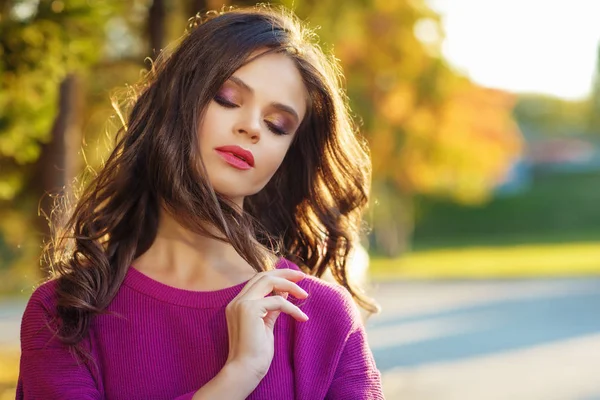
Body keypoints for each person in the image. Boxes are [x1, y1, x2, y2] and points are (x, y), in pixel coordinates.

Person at [16, 5, 384, 400]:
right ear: (174, 105)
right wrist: (238, 376)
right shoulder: (64, 313)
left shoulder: (321, 318)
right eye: (227, 99)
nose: (252, 127)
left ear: (285, 158)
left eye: (278, 125)